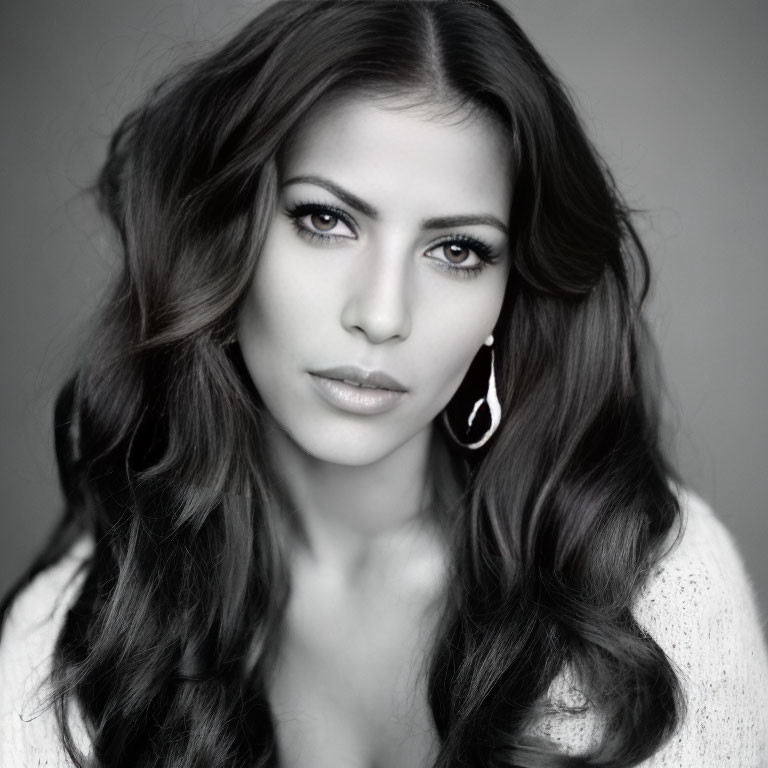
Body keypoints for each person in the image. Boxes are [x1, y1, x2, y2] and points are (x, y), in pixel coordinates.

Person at [1, 0, 766, 766]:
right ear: (224, 238)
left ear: (506, 299)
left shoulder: (653, 592)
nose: (382, 313)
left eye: (458, 250)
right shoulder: (77, 653)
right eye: (327, 221)